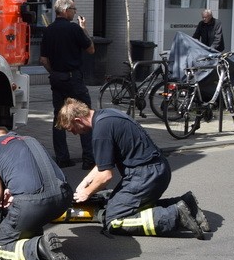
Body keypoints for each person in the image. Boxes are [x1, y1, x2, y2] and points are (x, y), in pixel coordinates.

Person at [56, 99, 208, 239]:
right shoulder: (107, 115)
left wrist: (87, 193)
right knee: (127, 207)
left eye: (72, 129)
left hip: (145, 176)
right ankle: (187, 205)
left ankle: (175, 215)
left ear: (78, 120)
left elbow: (106, 176)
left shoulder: (100, 132)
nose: (74, 133)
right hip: (158, 169)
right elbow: (104, 164)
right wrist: (85, 182)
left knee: (114, 219)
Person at [0, 127, 79, 260]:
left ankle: (40, 248)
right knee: (28, 218)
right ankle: (32, 234)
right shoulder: (29, 139)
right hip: (63, 198)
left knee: (4, 245)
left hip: (32, 205)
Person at [39, 0, 95, 169]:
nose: (75, 12)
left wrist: (54, 73)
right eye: (73, 8)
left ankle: (62, 158)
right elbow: (91, 49)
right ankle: (88, 159)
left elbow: (43, 59)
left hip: (57, 80)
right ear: (64, 10)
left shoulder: (48, 31)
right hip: (74, 79)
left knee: (59, 117)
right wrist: (83, 29)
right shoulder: (74, 29)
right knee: (85, 115)